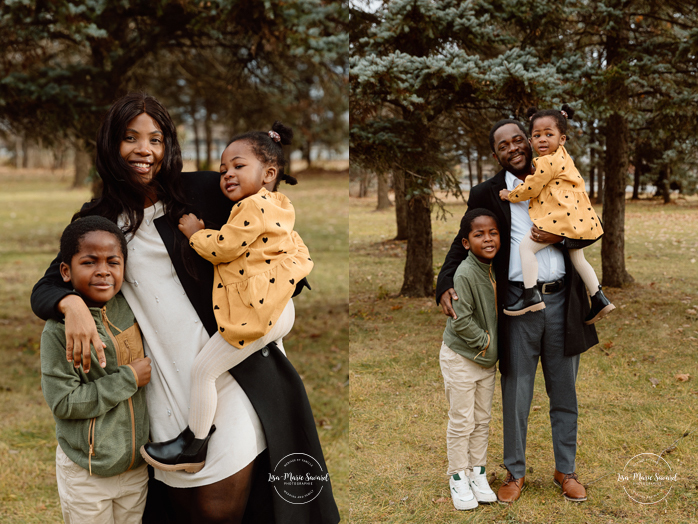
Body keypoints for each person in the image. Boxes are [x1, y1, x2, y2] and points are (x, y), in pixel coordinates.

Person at [31, 92, 340, 524]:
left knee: (219, 507)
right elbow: (50, 283)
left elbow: (275, 238)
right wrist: (72, 306)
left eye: (156, 139)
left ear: (168, 145)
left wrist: (274, 305)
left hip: (231, 368)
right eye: (130, 137)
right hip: (164, 385)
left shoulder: (201, 192)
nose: (144, 149)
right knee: (185, 507)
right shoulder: (98, 218)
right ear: (110, 144)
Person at [436, 119, 599, 504]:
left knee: (564, 392)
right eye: (503, 145)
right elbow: (462, 243)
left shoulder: (560, 175)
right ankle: (514, 471)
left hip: (561, 299)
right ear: (496, 154)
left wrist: (559, 237)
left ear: (529, 142)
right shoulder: (486, 192)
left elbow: (590, 227)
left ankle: (566, 469)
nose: (513, 148)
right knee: (516, 392)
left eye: (518, 140)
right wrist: (444, 284)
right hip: (515, 306)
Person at [141, 122, 313, 473]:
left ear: (268, 173)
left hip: (261, 312)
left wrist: (197, 232)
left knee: (203, 370)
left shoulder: (252, 207)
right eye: (223, 169)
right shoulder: (279, 203)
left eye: (238, 166)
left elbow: (226, 247)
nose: (227, 174)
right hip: (276, 307)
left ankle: (193, 444)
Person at [41, 216, 151, 523]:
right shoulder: (57, 331)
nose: (103, 270)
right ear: (66, 270)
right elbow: (63, 402)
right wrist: (127, 379)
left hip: (135, 468)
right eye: (89, 262)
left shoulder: (132, 310)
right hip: (87, 471)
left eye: (113, 262)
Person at [498, 105, 614, 323]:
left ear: (562, 139)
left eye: (549, 134)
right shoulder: (564, 157)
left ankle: (530, 294)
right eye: (537, 135)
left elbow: (531, 188)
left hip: (559, 217)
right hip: (576, 215)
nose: (543, 139)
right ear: (530, 141)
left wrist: (510, 194)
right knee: (578, 257)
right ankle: (598, 297)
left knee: (526, 248)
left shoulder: (546, 162)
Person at [439, 208, 500, 511]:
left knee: (482, 420)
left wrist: (489, 351)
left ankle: (477, 472)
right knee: (462, 420)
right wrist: (487, 343)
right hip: (461, 358)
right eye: (479, 234)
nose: (488, 239)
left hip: (485, 362)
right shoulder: (464, 273)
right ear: (466, 242)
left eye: (493, 233)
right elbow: (460, 321)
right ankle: (457, 476)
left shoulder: (492, 267)